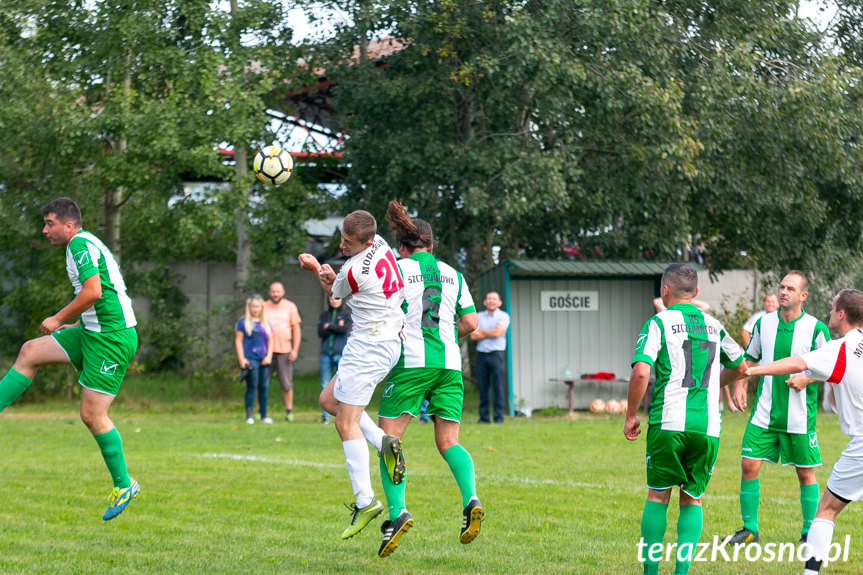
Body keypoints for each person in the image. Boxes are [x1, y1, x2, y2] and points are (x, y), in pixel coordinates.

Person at [0, 198, 140, 520]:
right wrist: (80, 322)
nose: (45, 229)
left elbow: (94, 292)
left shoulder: (79, 244)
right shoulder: (82, 243)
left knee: (92, 414)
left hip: (111, 338)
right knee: (30, 351)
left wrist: (59, 318)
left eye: (50, 223)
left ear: (69, 225)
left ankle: (124, 484)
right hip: (92, 331)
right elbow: (103, 291)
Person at [624, 263, 747, 575]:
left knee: (657, 495)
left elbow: (641, 370)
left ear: (665, 290)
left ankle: (650, 572)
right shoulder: (714, 325)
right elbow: (741, 366)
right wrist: (715, 383)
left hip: (668, 423)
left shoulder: (658, 323)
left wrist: (630, 415)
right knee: (692, 499)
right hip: (708, 427)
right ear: (696, 293)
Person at [375, 200, 482, 558]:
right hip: (450, 364)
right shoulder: (454, 273)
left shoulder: (396, 269)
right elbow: (470, 324)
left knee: (389, 438)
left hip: (411, 363)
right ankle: (471, 499)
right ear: (432, 245)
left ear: (400, 246)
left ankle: (396, 514)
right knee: (449, 441)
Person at [298, 210, 406, 540]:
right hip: (384, 341)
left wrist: (317, 268)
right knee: (328, 400)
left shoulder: (354, 269)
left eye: (349, 242)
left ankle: (366, 501)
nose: (343, 245)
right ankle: (383, 443)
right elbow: (342, 282)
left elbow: (334, 290)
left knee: (344, 423)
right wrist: (335, 274)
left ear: (367, 241)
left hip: (368, 346)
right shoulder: (382, 246)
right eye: (342, 238)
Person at [744, 289, 863, 575]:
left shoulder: (841, 348)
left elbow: (798, 363)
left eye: (833, 307)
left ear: (842, 314)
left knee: (826, 511)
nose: (830, 312)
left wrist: (751, 371)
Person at [728, 271, 830, 545]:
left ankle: (809, 532)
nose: (784, 292)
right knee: (748, 465)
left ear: (803, 296)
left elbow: (830, 367)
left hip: (798, 418)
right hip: (763, 413)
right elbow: (749, 358)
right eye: (782, 287)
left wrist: (807, 377)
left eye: (790, 288)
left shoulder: (816, 328)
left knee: (805, 472)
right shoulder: (763, 323)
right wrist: (739, 386)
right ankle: (749, 530)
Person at [264, 282, 302, 422]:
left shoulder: (290, 306)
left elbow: (296, 329)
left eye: (278, 291)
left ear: (283, 292)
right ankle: (260, 411)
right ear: (269, 292)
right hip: (265, 352)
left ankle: (289, 412)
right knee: (261, 383)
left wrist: (295, 350)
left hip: (284, 351)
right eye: (273, 291)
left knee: (286, 384)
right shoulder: (263, 306)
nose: (275, 294)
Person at [470, 291, 510, 423]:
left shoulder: (503, 316)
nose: (491, 301)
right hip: (481, 356)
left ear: (499, 302)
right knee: (483, 388)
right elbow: (473, 335)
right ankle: (484, 417)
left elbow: (498, 333)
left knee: (498, 387)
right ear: (484, 302)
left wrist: (482, 332)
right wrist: (491, 332)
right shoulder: (478, 316)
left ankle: (498, 417)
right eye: (489, 298)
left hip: (497, 355)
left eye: (494, 299)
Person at [235, 295, 273, 424]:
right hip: (250, 359)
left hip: (264, 359)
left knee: (264, 387)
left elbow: (271, 341)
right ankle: (249, 416)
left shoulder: (266, 322)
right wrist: (242, 359)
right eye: (253, 306)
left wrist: (269, 356)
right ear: (249, 307)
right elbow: (238, 341)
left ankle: (263, 416)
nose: (255, 309)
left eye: (258, 306)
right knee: (252, 387)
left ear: (261, 307)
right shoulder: (243, 322)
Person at [317, 295, 352, 424]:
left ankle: (343, 414)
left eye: (336, 298)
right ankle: (325, 417)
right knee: (325, 384)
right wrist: (335, 326)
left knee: (341, 385)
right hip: (326, 354)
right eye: (331, 298)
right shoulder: (324, 315)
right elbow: (320, 332)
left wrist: (329, 326)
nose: (333, 300)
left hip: (341, 354)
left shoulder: (346, 314)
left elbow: (343, 330)